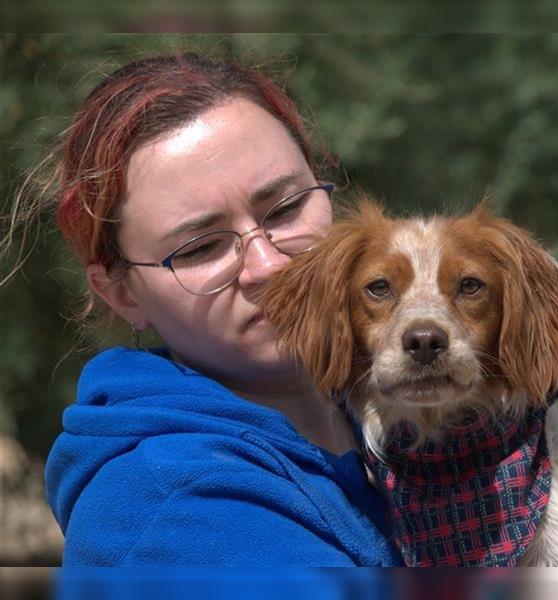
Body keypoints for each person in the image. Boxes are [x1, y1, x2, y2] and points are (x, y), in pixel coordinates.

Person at [8, 52, 402, 566]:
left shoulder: (403, 406)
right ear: (122, 294)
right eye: (199, 248)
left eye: (285, 209)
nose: (266, 266)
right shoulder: (180, 507)